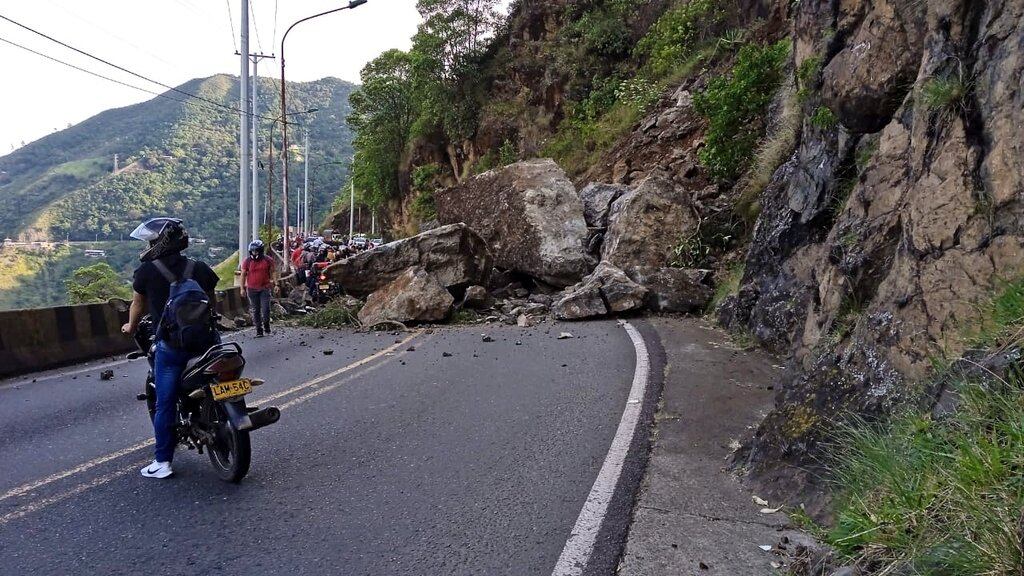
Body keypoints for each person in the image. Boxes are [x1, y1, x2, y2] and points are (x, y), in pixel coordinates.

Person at [120, 218, 219, 479]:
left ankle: (162, 462)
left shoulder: (147, 272)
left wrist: (130, 328)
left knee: (164, 403)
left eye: (152, 241)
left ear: (161, 242)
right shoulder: (199, 268)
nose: (149, 245)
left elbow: (138, 306)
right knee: (219, 377)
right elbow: (212, 302)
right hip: (208, 342)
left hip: (173, 346)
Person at [240, 239, 275, 337]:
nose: (254, 253)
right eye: (252, 251)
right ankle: (259, 330)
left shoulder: (268, 260)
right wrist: (242, 288)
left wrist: (275, 283)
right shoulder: (247, 261)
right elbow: (243, 275)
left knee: (266, 309)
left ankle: (266, 324)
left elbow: (273, 272)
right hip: (252, 289)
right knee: (255, 310)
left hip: (265, 288)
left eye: (256, 251)